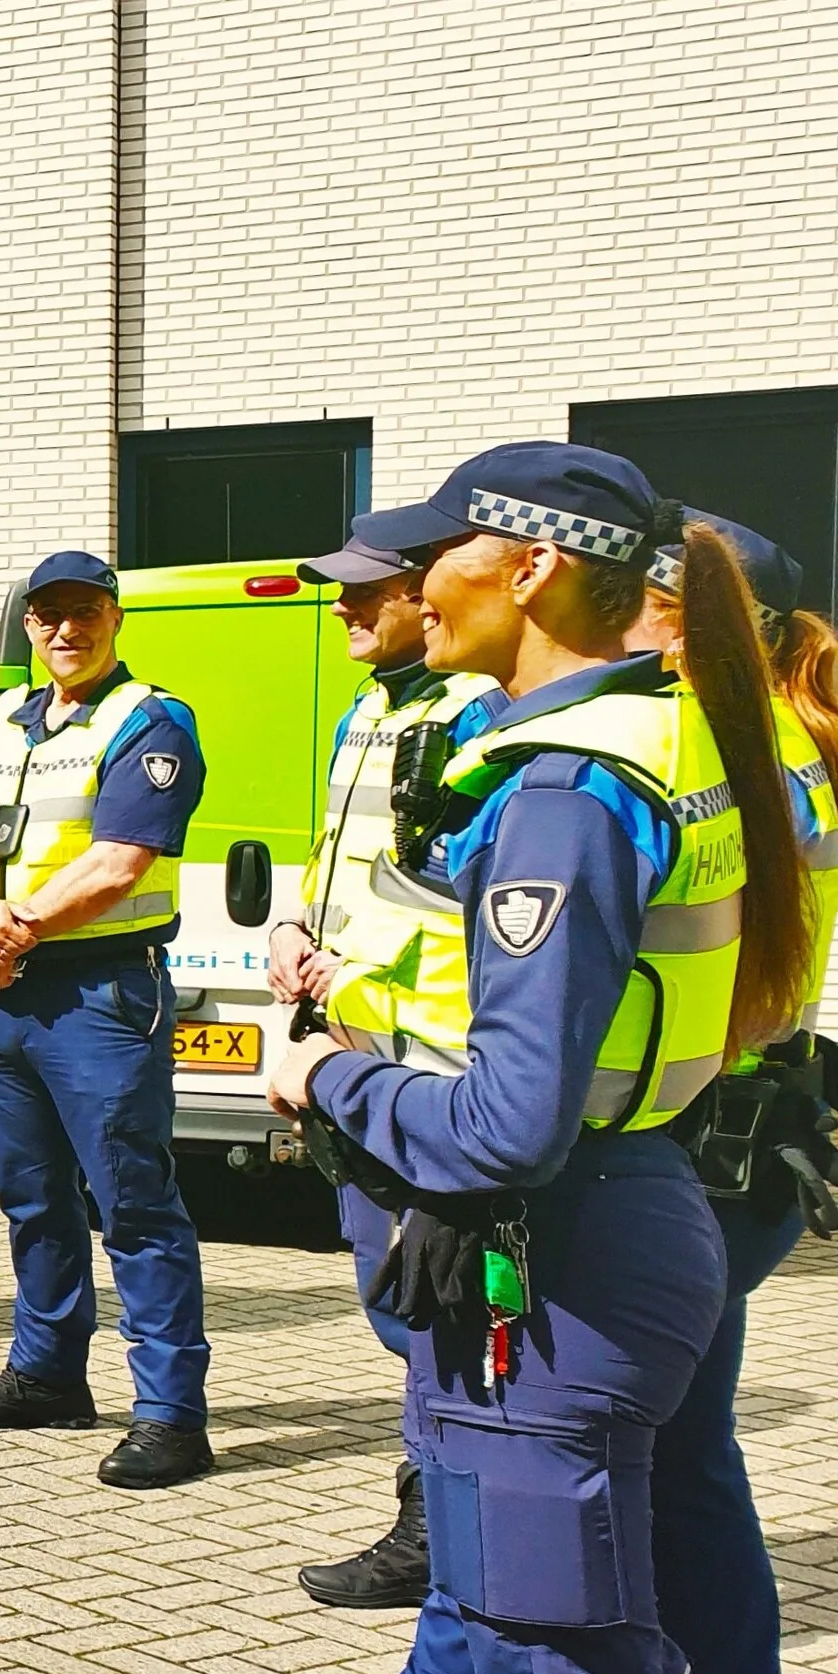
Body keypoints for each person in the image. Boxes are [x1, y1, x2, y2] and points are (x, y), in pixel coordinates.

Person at [268, 443, 808, 1674]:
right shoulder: (643, 732)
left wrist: (328, 1073)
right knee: (479, 1594)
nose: (417, 585)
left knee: (558, 1670)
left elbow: (509, 1122)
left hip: (559, 1246)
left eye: (437, 555)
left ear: (532, 565)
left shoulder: (565, 791)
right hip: (584, 1218)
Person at [0, 550, 214, 1488]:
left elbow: (121, 861)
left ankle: (172, 1415)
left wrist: (11, 930)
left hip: (98, 994)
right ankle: (48, 1372)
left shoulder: (152, 720)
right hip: (5, 990)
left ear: (115, 618)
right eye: (49, 614)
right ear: (28, 626)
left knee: (133, 1204)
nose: (66, 630)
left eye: (85, 612)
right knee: (30, 1196)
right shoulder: (3, 721)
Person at [271, 537, 504, 1606]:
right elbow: (344, 856)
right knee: (395, 1299)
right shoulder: (367, 711)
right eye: (341, 596)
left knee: (436, 1308)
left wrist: (354, 973)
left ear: (426, 596)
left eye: (365, 593)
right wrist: (291, 923)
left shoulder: (474, 713)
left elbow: (470, 905)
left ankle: (447, 1522)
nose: (345, 612)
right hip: (360, 1039)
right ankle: (456, 1510)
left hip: (433, 1057)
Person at [626, 511, 826, 1674]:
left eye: (646, 594)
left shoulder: (715, 742)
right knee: (685, 1436)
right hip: (745, 1135)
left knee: (673, 1446)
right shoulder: (782, 737)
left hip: (703, 1136)